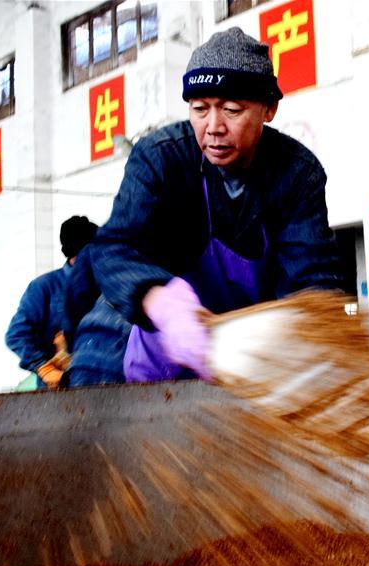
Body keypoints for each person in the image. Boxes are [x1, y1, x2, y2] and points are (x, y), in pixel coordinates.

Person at [70, 26, 343, 384]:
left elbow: (312, 283)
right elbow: (113, 248)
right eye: (199, 109)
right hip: (119, 346)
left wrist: (313, 339)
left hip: (229, 354)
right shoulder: (159, 158)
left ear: (269, 109)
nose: (213, 127)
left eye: (232, 110)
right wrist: (161, 302)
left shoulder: (296, 174)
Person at [5, 215, 98, 389]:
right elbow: (16, 334)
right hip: (59, 390)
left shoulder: (104, 288)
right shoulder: (44, 287)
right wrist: (44, 367)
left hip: (103, 386)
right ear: (80, 252)